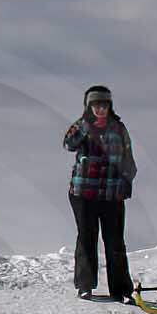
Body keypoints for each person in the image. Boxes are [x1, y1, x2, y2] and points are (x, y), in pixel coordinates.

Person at [63, 89, 138, 301]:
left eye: (104, 105)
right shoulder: (82, 125)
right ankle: (85, 285)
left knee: (115, 241)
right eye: (96, 105)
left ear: (110, 106)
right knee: (87, 238)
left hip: (112, 194)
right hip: (83, 193)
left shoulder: (118, 128)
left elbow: (128, 157)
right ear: (89, 106)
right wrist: (83, 127)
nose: (100, 109)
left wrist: (127, 181)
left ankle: (121, 289)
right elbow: (68, 144)